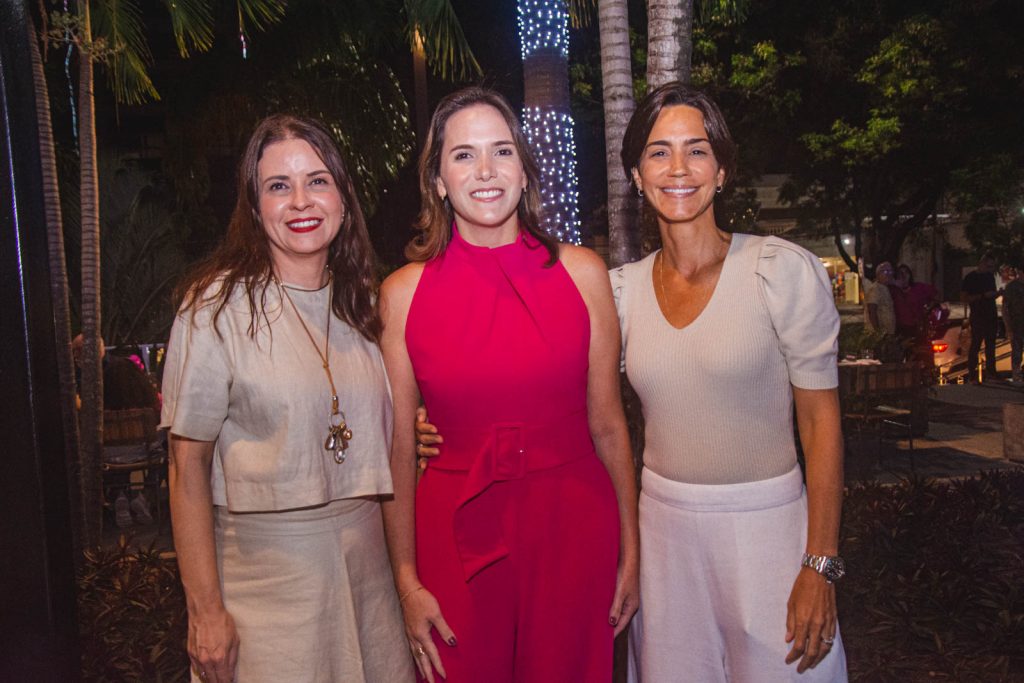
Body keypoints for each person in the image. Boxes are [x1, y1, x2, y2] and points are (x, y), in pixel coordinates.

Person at [421, 83, 848, 681]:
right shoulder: (618, 291)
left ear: (722, 169)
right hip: (664, 532)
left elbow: (822, 424)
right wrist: (431, 421)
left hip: (768, 529)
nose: (679, 169)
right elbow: (545, 379)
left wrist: (820, 563)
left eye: (697, 151)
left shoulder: (779, 272)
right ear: (636, 176)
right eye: (658, 153)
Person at [379, 87, 639, 683]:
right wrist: (406, 580)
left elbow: (608, 423)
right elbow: (395, 447)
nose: (486, 171)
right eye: (463, 155)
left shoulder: (583, 273)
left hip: (573, 525)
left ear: (525, 169)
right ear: (439, 181)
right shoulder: (402, 294)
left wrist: (632, 549)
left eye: (501, 151)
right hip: (452, 527)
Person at [160, 114, 413, 683]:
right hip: (265, 599)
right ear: (254, 207)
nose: (301, 201)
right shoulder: (215, 309)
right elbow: (186, 468)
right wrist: (204, 612)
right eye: (279, 186)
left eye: (318, 181)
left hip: (369, 582)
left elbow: (375, 429)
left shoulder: (363, 307)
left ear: (344, 200)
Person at [961, 253, 1001, 382]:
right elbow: (964, 298)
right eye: (989, 266)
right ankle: (972, 373)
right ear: (982, 264)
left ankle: (991, 372)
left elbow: (990, 294)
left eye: (992, 267)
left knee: (991, 344)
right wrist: (983, 296)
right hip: (978, 314)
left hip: (991, 312)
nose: (990, 270)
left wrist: (996, 294)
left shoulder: (990, 277)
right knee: (976, 343)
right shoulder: (970, 278)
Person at [890, 264, 938, 341]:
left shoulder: (919, 287)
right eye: (901, 273)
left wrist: (927, 310)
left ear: (910, 275)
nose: (904, 275)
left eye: (906, 272)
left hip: (916, 326)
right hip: (899, 327)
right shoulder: (894, 290)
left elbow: (935, 296)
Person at [1000, 264, 1024, 384]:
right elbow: (1005, 308)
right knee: (1017, 350)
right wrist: (1008, 326)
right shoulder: (1012, 287)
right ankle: (1017, 374)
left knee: (1017, 349)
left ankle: (1018, 374)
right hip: (1017, 323)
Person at [864, 261, 896, 336]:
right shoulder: (875, 289)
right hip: (880, 334)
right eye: (885, 271)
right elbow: (872, 310)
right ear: (878, 274)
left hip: (888, 333)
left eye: (890, 271)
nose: (889, 274)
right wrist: (878, 332)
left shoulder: (886, 288)